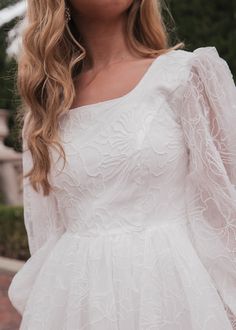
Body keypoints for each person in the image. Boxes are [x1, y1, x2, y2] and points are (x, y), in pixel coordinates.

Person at [8, 0, 236, 329]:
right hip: (73, 302)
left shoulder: (184, 76)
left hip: (170, 297)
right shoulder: (46, 108)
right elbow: (46, 233)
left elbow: (226, 214)